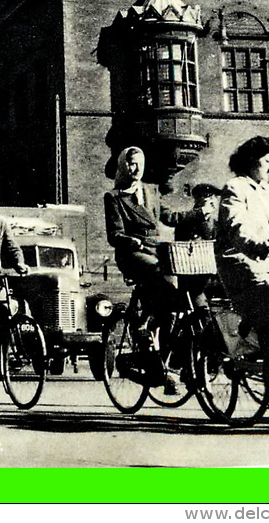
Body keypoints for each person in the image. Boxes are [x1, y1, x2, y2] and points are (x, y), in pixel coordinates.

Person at [216, 136, 269, 385]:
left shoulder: (268, 192)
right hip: (240, 261)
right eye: (267, 161)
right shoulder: (235, 188)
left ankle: (255, 339)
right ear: (252, 160)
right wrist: (257, 248)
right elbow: (236, 225)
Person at [104, 146, 182, 390]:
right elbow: (114, 233)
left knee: (175, 301)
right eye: (130, 164)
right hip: (133, 254)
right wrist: (131, 240)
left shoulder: (151, 190)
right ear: (122, 166)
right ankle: (142, 327)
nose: (135, 169)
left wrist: (197, 215)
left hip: (156, 250)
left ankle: (162, 361)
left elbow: (168, 217)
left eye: (139, 163)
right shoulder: (115, 198)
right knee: (160, 274)